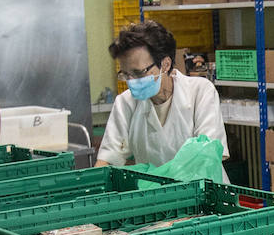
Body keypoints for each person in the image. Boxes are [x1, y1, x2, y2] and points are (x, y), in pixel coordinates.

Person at [95, 20, 228, 167]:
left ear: (165, 64)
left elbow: (208, 155)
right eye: (125, 74)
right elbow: (108, 158)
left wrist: (165, 177)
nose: (131, 81)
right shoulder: (126, 102)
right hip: (153, 189)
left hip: (201, 187)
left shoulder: (200, 91)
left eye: (138, 73)